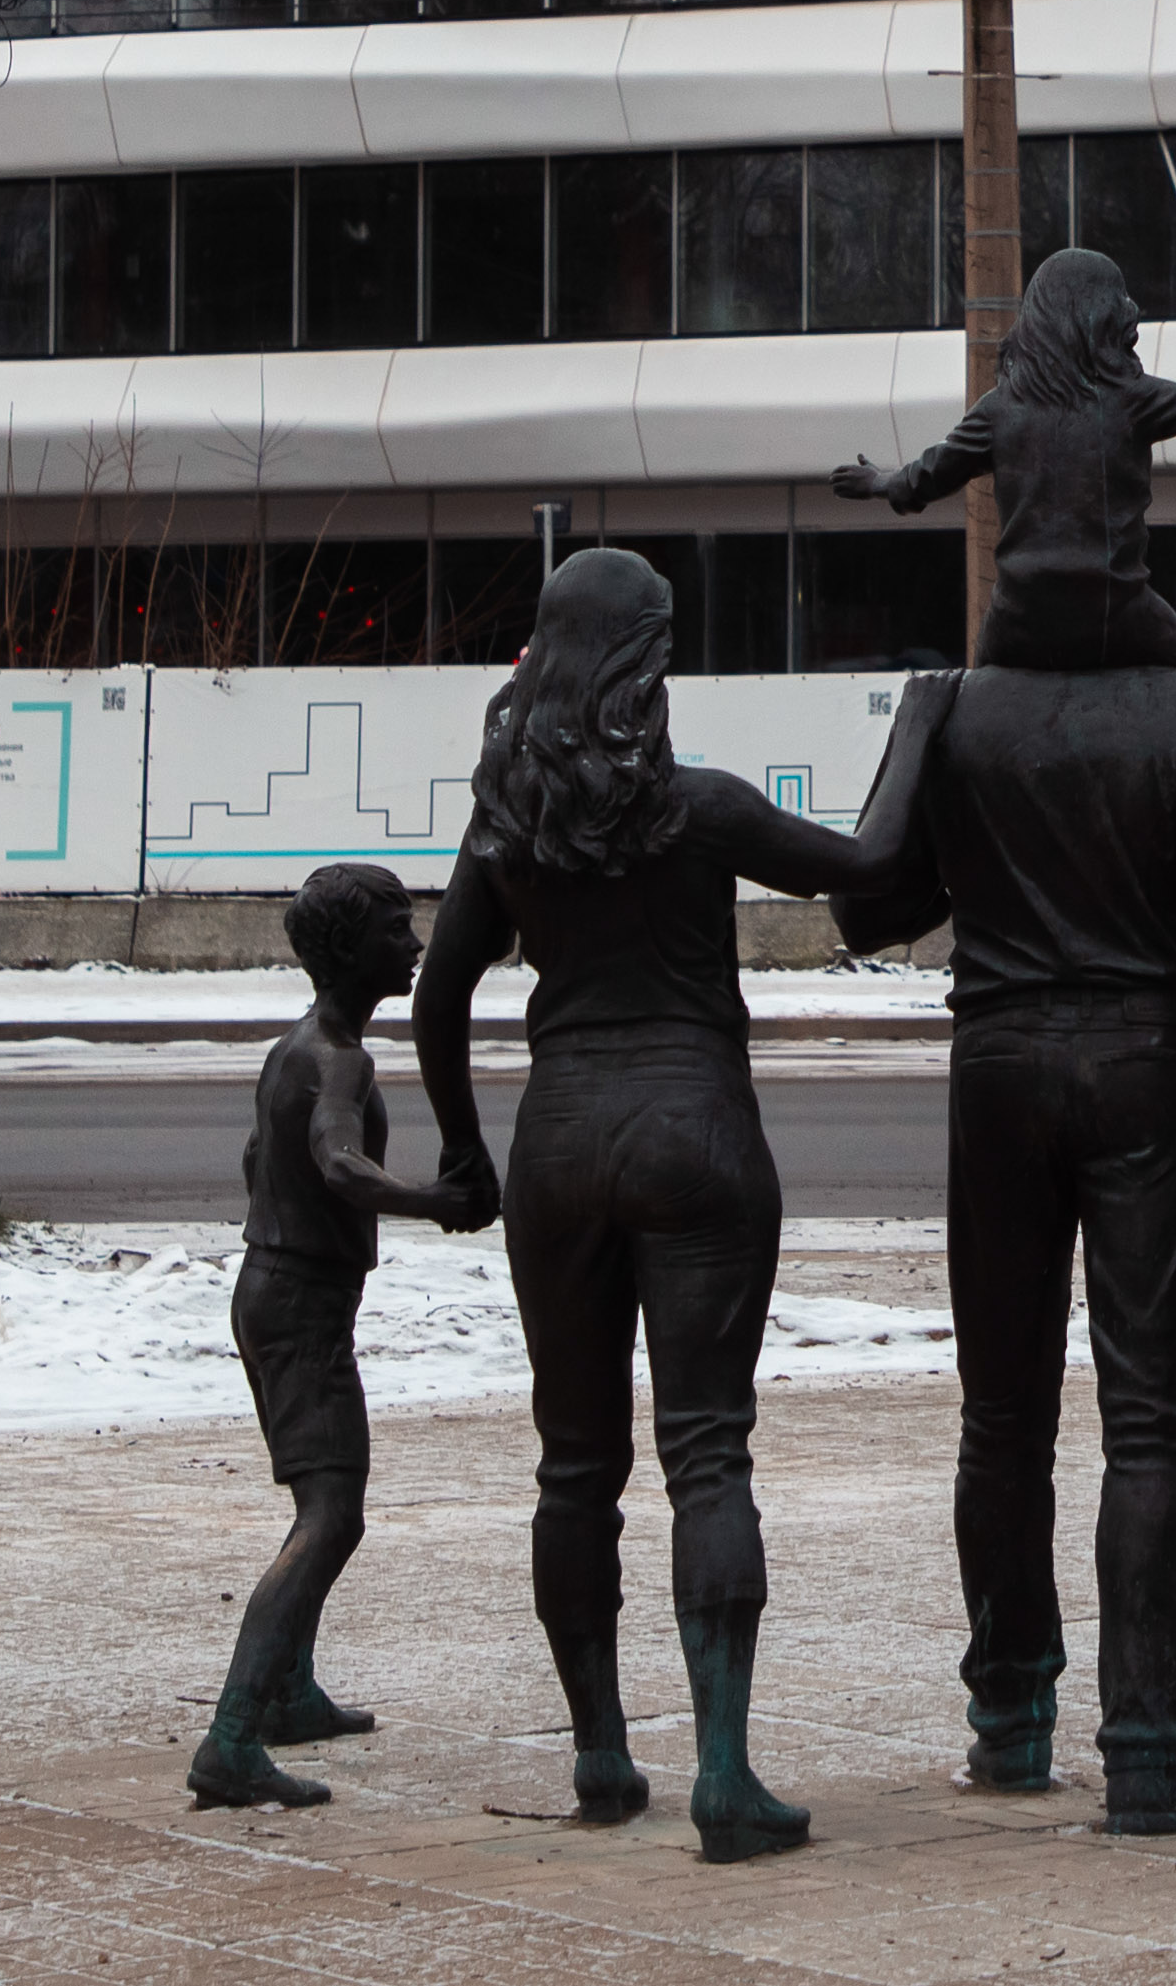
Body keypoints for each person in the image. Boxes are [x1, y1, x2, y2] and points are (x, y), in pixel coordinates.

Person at [827, 309, 1176, 1836]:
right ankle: (1147, 1738)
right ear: (1126, 486)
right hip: (1137, 1062)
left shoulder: (965, 709)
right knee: (1148, 1419)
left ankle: (1009, 1714)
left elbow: (872, 901)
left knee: (1000, 1416)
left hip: (994, 1062)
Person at [416, 549, 913, 1863]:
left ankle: (597, 1750)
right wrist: (921, 725)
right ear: (646, 661)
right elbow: (865, 860)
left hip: (559, 1145)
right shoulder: (703, 810)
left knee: (575, 1465)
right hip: (698, 1134)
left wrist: (464, 1154)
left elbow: (437, 992)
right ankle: (725, 1772)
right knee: (709, 1454)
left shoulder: (505, 828)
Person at [189, 859, 473, 1813]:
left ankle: (292, 1693)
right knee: (332, 1514)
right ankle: (230, 1737)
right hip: (301, 1306)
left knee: (321, 1499)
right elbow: (337, 1162)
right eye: (397, 927)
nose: (415, 942)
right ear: (352, 947)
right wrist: (435, 1200)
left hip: (272, 1290)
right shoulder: (339, 1058)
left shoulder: (296, 1046)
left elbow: (256, 1155)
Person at [830, 248, 1176, 675]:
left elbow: (927, 474)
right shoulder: (1130, 400)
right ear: (1098, 315)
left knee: (974, 694)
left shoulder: (1000, 410)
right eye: (1120, 300)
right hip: (1114, 610)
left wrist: (878, 481)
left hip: (1020, 616)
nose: (1132, 311)